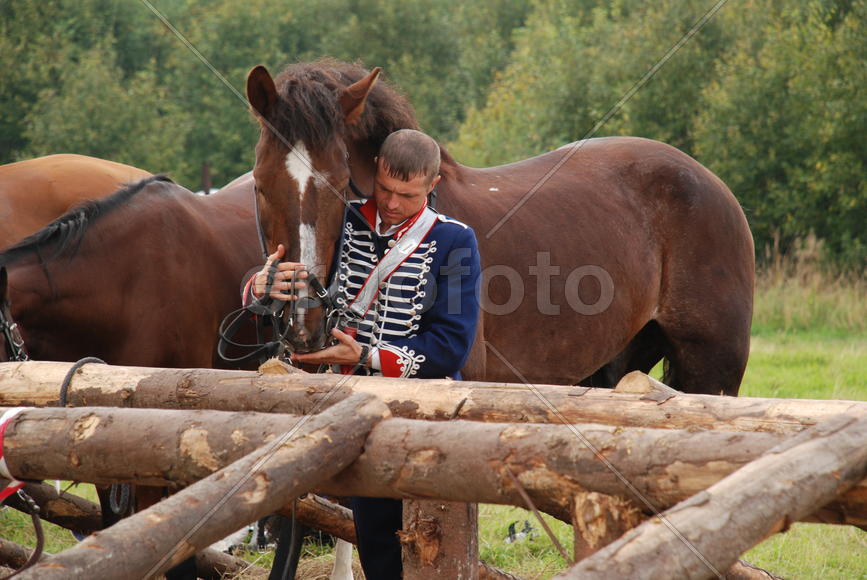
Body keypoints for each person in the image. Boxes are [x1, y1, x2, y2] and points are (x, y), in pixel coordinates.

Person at [248, 129, 481, 578]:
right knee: (377, 549)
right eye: (386, 189)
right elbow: (298, 278)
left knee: (433, 545)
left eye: (408, 195)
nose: (392, 204)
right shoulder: (344, 218)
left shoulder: (454, 241)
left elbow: (451, 348)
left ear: (432, 186)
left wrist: (369, 354)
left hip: (419, 413)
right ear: (374, 170)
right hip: (347, 407)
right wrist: (259, 286)